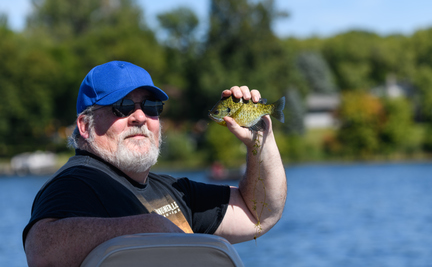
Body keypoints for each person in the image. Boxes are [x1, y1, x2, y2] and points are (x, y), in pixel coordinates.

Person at [23, 61, 287, 267]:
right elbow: (43, 253)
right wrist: (151, 229)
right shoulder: (77, 182)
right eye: (122, 106)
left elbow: (259, 214)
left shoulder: (173, 190)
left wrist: (260, 141)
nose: (140, 116)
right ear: (85, 125)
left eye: (152, 106)